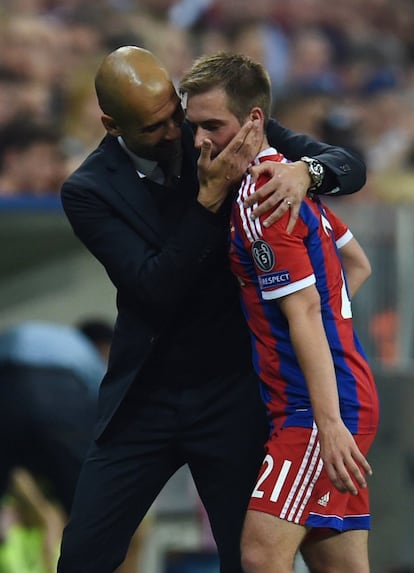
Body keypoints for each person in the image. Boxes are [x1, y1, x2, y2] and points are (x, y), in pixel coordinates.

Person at [57, 45, 367, 573]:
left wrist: (306, 173)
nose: (178, 135)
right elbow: (153, 288)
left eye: (175, 114)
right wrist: (208, 199)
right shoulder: (88, 190)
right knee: (83, 557)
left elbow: (348, 165)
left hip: (232, 394)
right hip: (145, 398)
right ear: (113, 126)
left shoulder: (217, 130)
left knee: (250, 559)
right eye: (155, 128)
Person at [180, 52, 379, 573]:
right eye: (193, 126)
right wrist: (336, 336)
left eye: (211, 126)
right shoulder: (288, 181)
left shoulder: (258, 195)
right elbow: (356, 264)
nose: (199, 141)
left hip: (312, 413)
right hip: (339, 397)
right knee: (338, 565)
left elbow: (307, 310)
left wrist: (328, 423)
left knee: (260, 554)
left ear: (252, 121)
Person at [0, 318, 113, 513]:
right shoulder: (88, 354)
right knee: (84, 500)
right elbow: (102, 412)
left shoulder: (48, 335)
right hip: (60, 393)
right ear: (103, 347)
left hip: (5, 387)